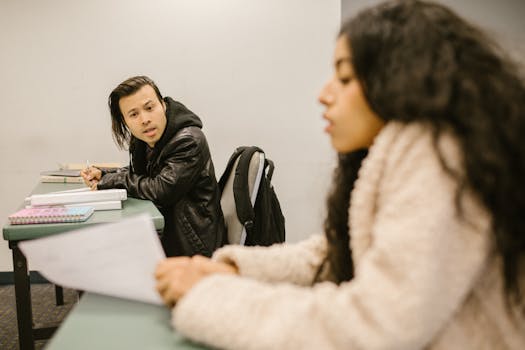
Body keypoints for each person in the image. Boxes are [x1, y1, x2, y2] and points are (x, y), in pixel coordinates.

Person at [155, 0, 525, 348]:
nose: (324, 94)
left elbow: (377, 324)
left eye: (345, 79)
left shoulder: (438, 152)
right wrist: (236, 270)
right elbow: (336, 253)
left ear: (401, 83)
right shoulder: (397, 151)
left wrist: (213, 299)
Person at [81, 76, 225, 257]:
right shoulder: (148, 138)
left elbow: (161, 189)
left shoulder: (188, 140)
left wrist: (114, 180)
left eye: (150, 108)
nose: (144, 119)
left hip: (193, 245)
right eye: (133, 114)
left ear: (163, 105)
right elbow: (147, 174)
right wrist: (104, 174)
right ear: (125, 121)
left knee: (107, 254)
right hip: (168, 231)